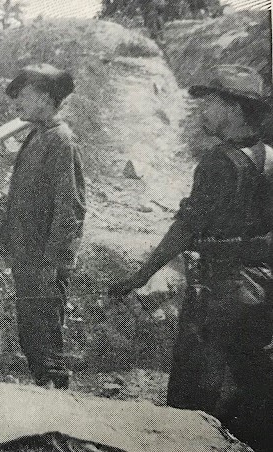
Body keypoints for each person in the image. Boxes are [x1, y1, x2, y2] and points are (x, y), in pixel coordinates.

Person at [109, 65, 273, 451]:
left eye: (211, 102)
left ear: (233, 108)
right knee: (253, 395)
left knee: (193, 402)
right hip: (263, 289)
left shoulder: (218, 162)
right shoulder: (270, 158)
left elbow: (185, 228)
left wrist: (139, 276)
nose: (202, 111)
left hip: (219, 292)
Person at [1, 64, 86, 389]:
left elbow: (71, 208)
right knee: (33, 337)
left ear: (47, 98)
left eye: (23, 95)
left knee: (46, 344)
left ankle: (55, 405)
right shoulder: (38, 137)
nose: (16, 104)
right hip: (29, 259)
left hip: (44, 264)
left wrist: (55, 264)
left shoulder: (61, 142)